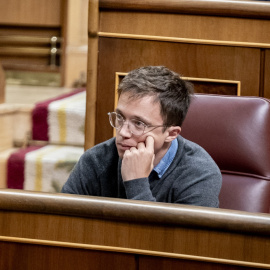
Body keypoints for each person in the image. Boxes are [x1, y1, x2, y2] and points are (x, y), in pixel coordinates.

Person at [61, 66, 222, 207]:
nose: (123, 132)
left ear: (171, 134)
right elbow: (63, 223)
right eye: (120, 117)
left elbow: (180, 242)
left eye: (139, 124)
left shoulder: (200, 174)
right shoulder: (96, 160)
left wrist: (136, 183)